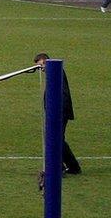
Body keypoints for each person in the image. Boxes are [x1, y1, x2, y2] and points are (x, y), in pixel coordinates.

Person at [34, 53, 80, 181]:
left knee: (54, 139)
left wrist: (46, 66)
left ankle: (58, 168)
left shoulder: (55, 71)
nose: (41, 69)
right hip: (57, 111)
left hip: (60, 112)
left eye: (41, 65)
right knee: (58, 139)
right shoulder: (52, 73)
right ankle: (73, 167)